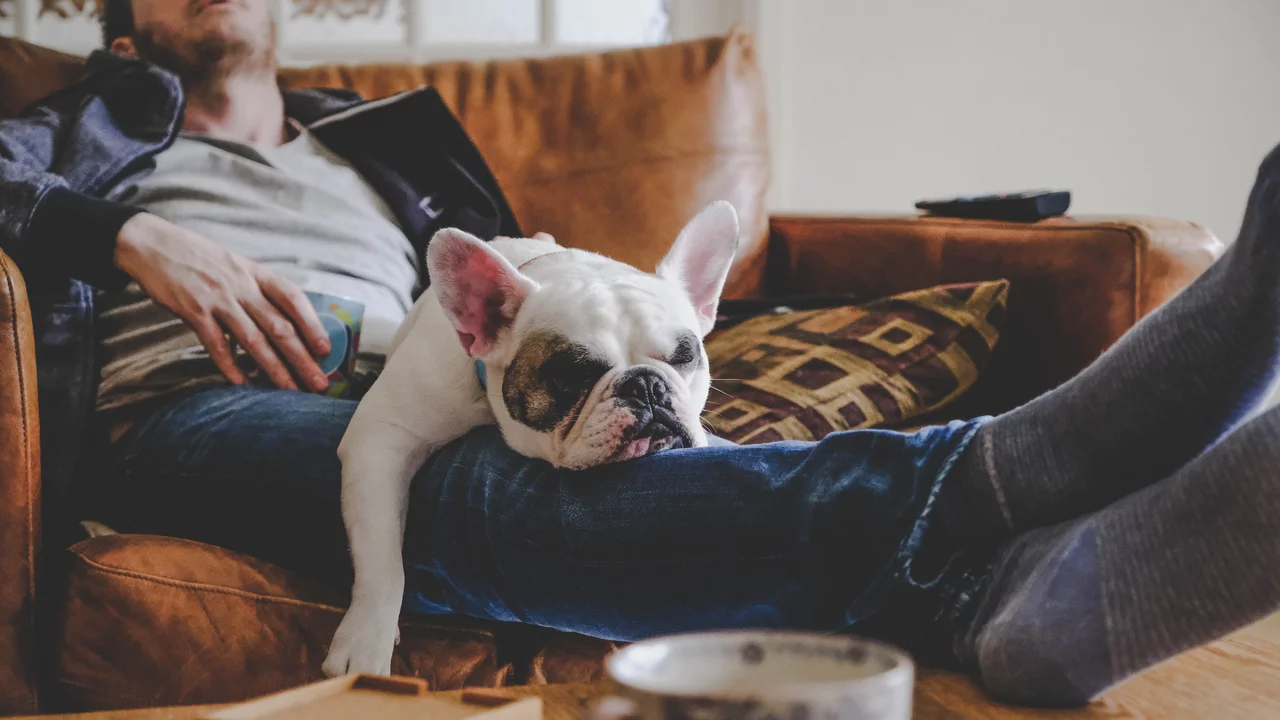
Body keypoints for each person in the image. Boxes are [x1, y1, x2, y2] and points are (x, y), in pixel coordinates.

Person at [2, 0, 1279, 706]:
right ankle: (1014, 470)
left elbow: (502, 325)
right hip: (192, 409)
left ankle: (1004, 608)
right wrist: (133, 237)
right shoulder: (79, 136)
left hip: (386, 362)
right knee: (478, 493)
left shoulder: (375, 143)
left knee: (583, 469)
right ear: (124, 41)